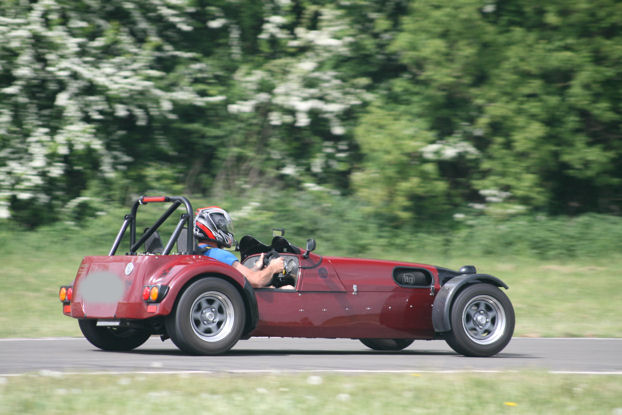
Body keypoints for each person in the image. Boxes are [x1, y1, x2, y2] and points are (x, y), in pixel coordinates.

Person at [194, 206, 285, 288]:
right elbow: (257, 281)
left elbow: (239, 276)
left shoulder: (198, 252)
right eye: (224, 227)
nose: (227, 231)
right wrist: (272, 268)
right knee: (287, 288)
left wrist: (256, 267)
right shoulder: (220, 255)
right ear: (213, 228)